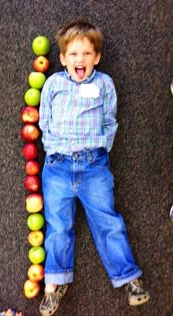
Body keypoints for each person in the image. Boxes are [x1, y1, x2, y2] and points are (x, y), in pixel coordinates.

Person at [38, 20, 150, 316]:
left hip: (93, 165)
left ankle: (130, 278)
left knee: (108, 222)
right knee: (58, 226)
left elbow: (110, 119)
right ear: (62, 59)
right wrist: (53, 147)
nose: (80, 60)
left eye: (87, 54)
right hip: (58, 166)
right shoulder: (53, 84)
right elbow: (44, 120)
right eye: (73, 54)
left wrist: (101, 148)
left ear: (97, 57)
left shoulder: (104, 84)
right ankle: (54, 283)